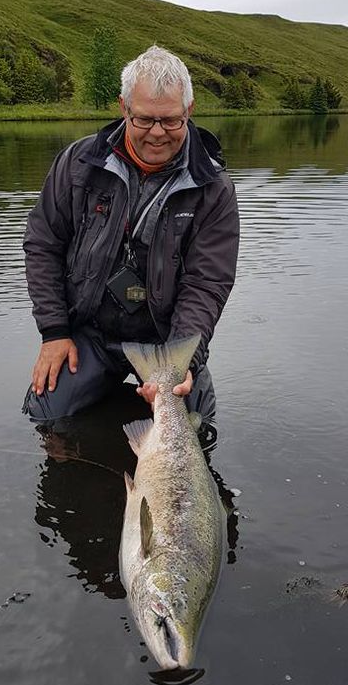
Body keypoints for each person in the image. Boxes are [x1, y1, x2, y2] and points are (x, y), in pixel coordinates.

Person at [22, 45, 239, 428]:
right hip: (90, 331)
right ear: (124, 108)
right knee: (46, 413)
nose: (158, 133)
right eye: (144, 120)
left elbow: (207, 283)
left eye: (171, 121)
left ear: (189, 111)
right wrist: (54, 332)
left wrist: (180, 362)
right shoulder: (78, 163)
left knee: (193, 424)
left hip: (164, 340)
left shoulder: (213, 187)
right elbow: (43, 245)